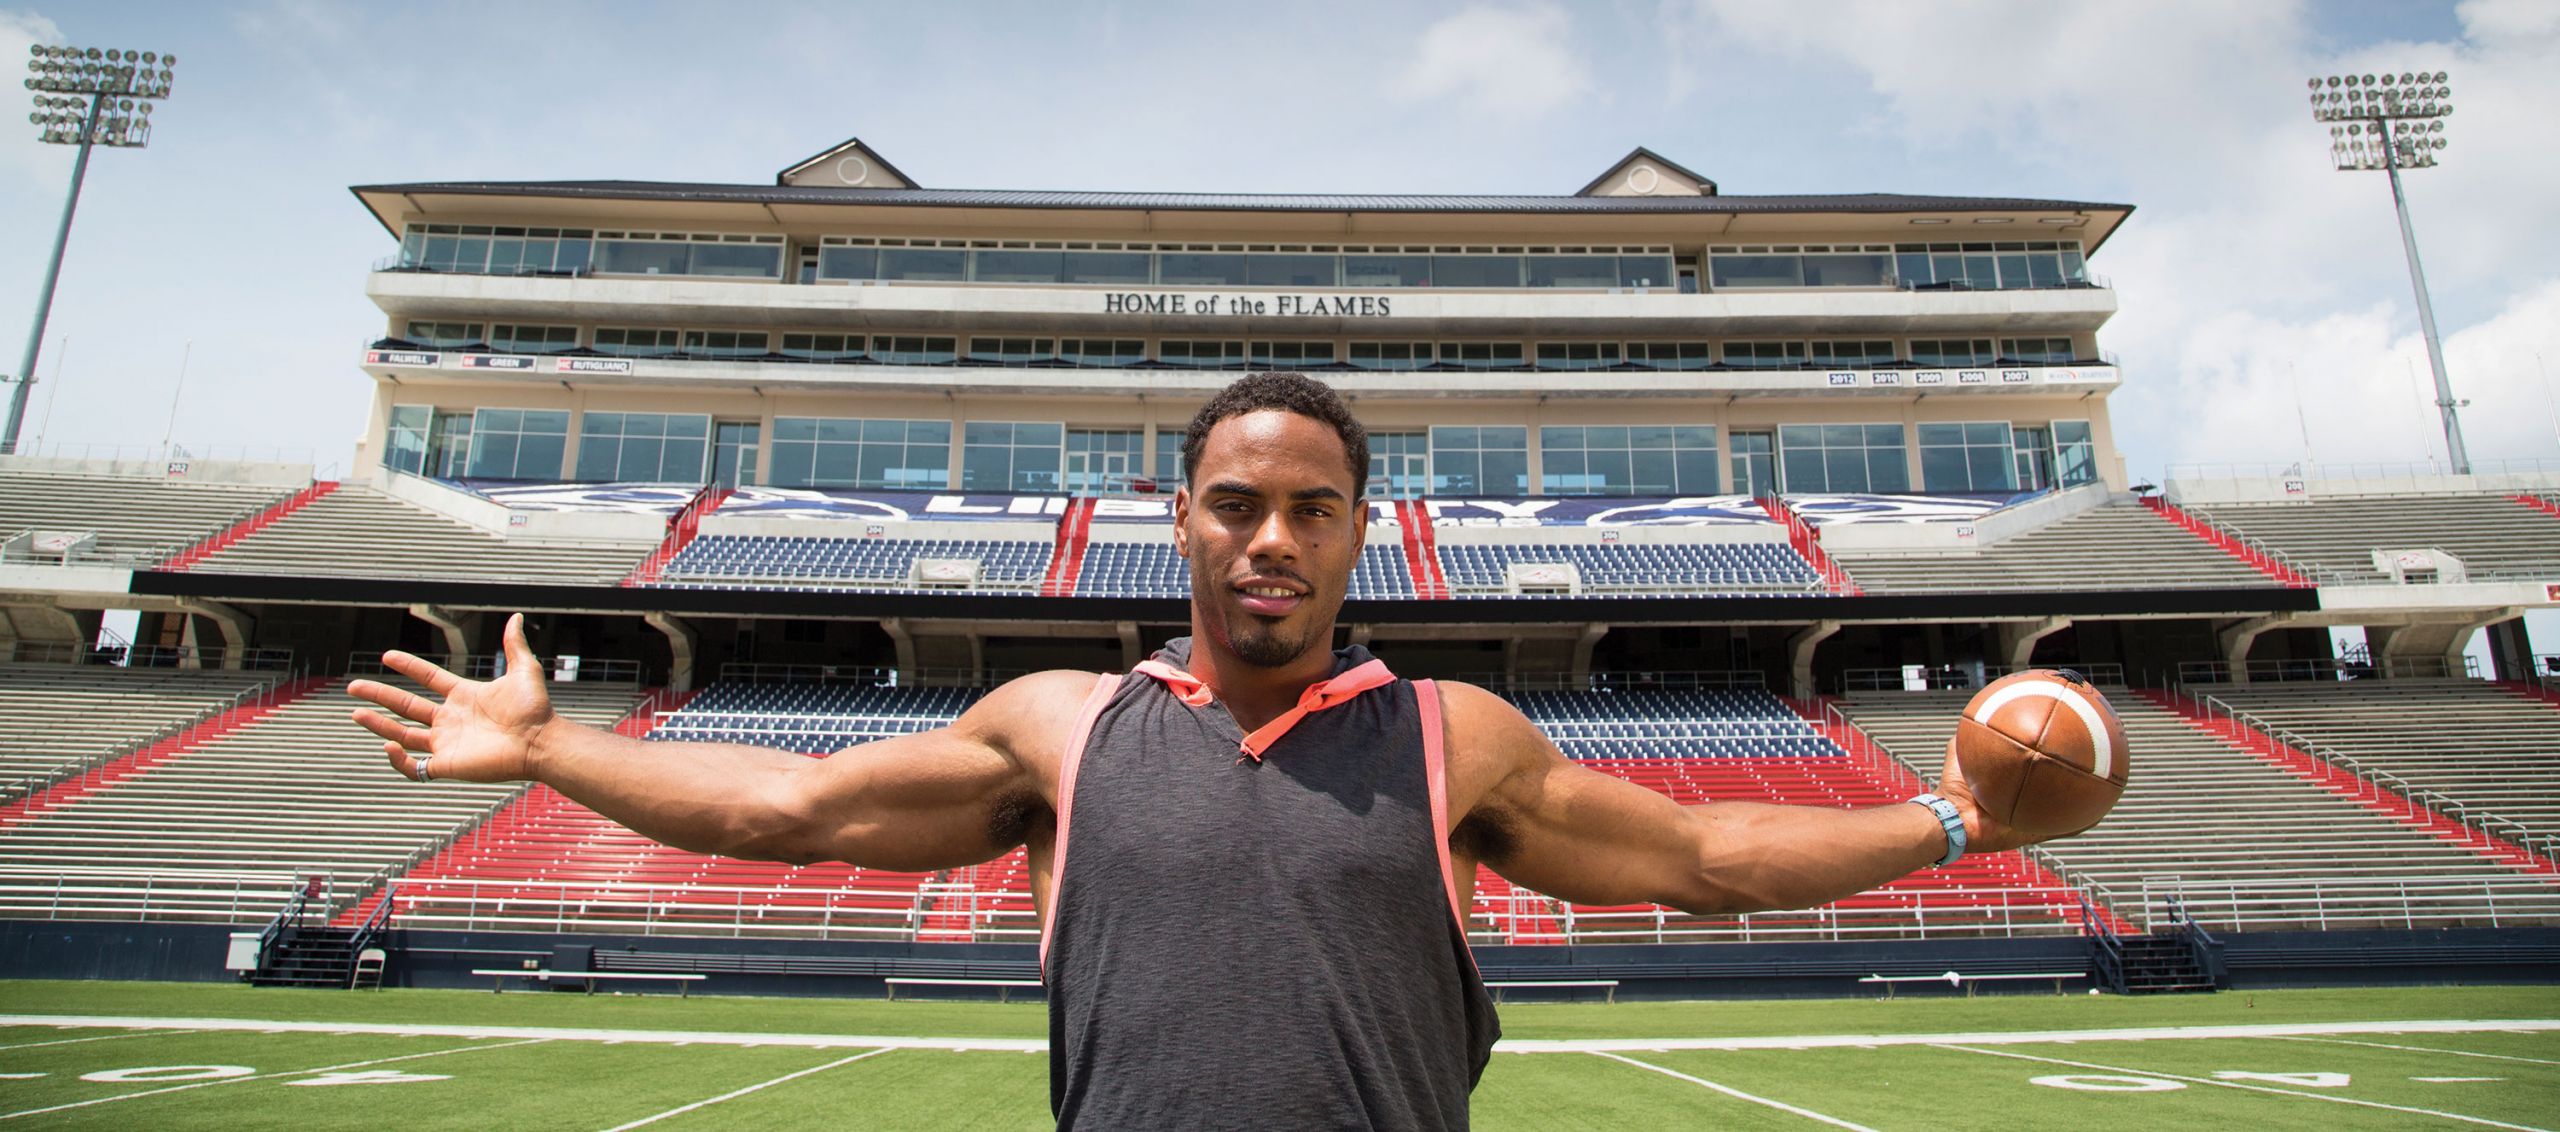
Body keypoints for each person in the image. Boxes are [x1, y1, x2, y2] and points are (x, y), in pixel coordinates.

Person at [350, 372, 2039, 1130]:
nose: (1272, 541)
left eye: (1314, 509)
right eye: (1238, 504)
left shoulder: (1457, 740)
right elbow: (790, 802)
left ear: (1362, 536)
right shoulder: (1062, 729)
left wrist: (1950, 821)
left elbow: (1705, 858)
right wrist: (554, 748)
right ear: (1183, 522)